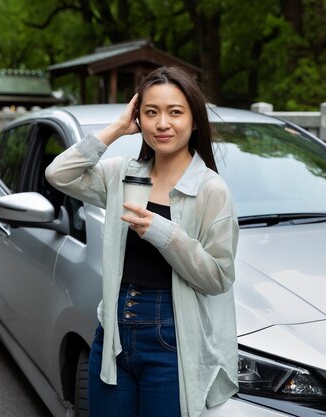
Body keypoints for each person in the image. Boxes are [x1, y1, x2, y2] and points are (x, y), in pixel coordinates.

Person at [45, 67, 239, 417]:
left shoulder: (211, 190)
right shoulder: (122, 173)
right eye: (151, 112)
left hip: (172, 337)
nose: (162, 123)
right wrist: (118, 128)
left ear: (195, 121)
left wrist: (164, 234)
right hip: (114, 331)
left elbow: (219, 277)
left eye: (175, 112)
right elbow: (59, 173)